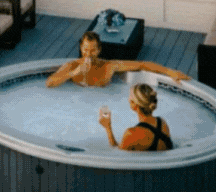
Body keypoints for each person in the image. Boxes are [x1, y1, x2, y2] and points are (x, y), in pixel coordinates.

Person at [45, 31, 190, 88]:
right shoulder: (72, 66)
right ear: (81, 48)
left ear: (99, 50)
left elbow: (142, 65)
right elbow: (49, 83)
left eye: (93, 50)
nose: (88, 54)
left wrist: (170, 72)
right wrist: (73, 73)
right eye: (85, 49)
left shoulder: (109, 66)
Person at [99, 83, 174, 150]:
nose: (128, 99)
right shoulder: (162, 123)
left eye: (130, 97)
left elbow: (118, 155)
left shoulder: (132, 134)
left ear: (135, 104)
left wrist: (108, 127)